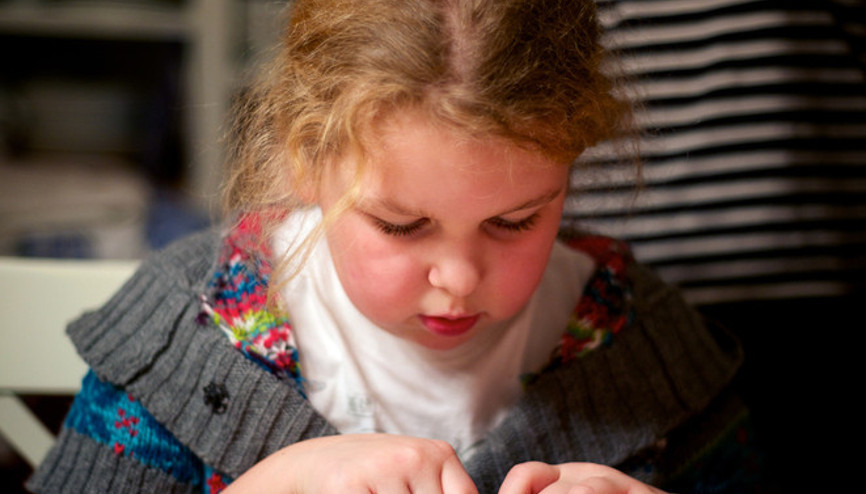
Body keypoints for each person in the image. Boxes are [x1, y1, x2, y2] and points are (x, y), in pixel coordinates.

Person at [27, 0, 761, 493]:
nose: (459, 277)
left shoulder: (642, 339)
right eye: (401, 226)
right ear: (305, 156)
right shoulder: (190, 334)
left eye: (514, 222)